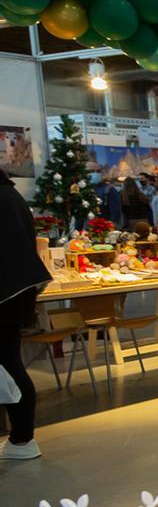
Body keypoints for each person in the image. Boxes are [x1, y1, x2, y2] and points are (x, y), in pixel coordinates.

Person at [0, 169, 51, 459]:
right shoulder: (11, 194)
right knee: (8, 361)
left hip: (6, 293)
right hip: (15, 292)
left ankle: (21, 438)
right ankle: (21, 438)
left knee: (7, 365)